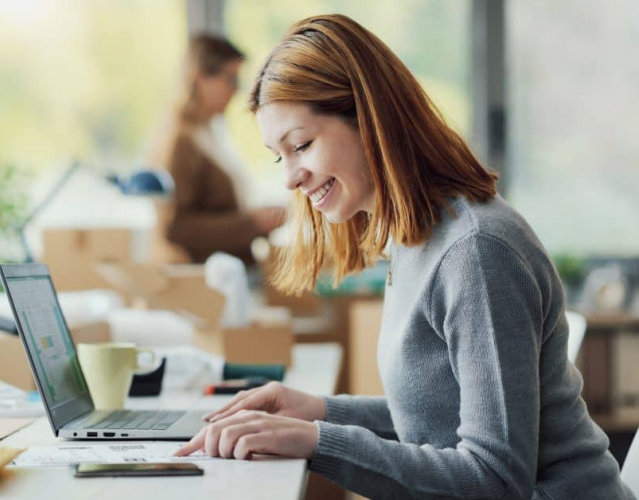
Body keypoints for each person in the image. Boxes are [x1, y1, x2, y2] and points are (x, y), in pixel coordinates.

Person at [174, 14, 635, 499]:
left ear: (370, 120)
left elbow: (497, 479)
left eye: (302, 145)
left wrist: (318, 442)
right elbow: (437, 420)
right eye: (278, 156)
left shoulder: (475, 253)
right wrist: (319, 412)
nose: (290, 178)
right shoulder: (417, 238)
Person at [149, 34, 284, 265]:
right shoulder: (183, 143)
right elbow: (177, 227)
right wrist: (251, 223)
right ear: (201, 78)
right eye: (230, 79)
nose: (236, 90)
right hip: (208, 280)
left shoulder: (213, 132)